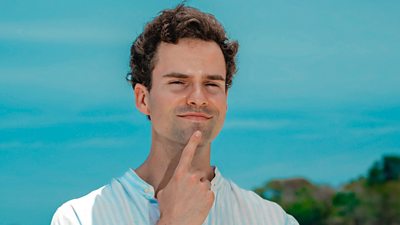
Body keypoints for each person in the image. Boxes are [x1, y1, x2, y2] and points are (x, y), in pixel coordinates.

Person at [51, 4, 299, 225]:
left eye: (212, 84)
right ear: (143, 99)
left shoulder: (272, 219)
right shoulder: (80, 217)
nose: (198, 97)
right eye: (179, 82)